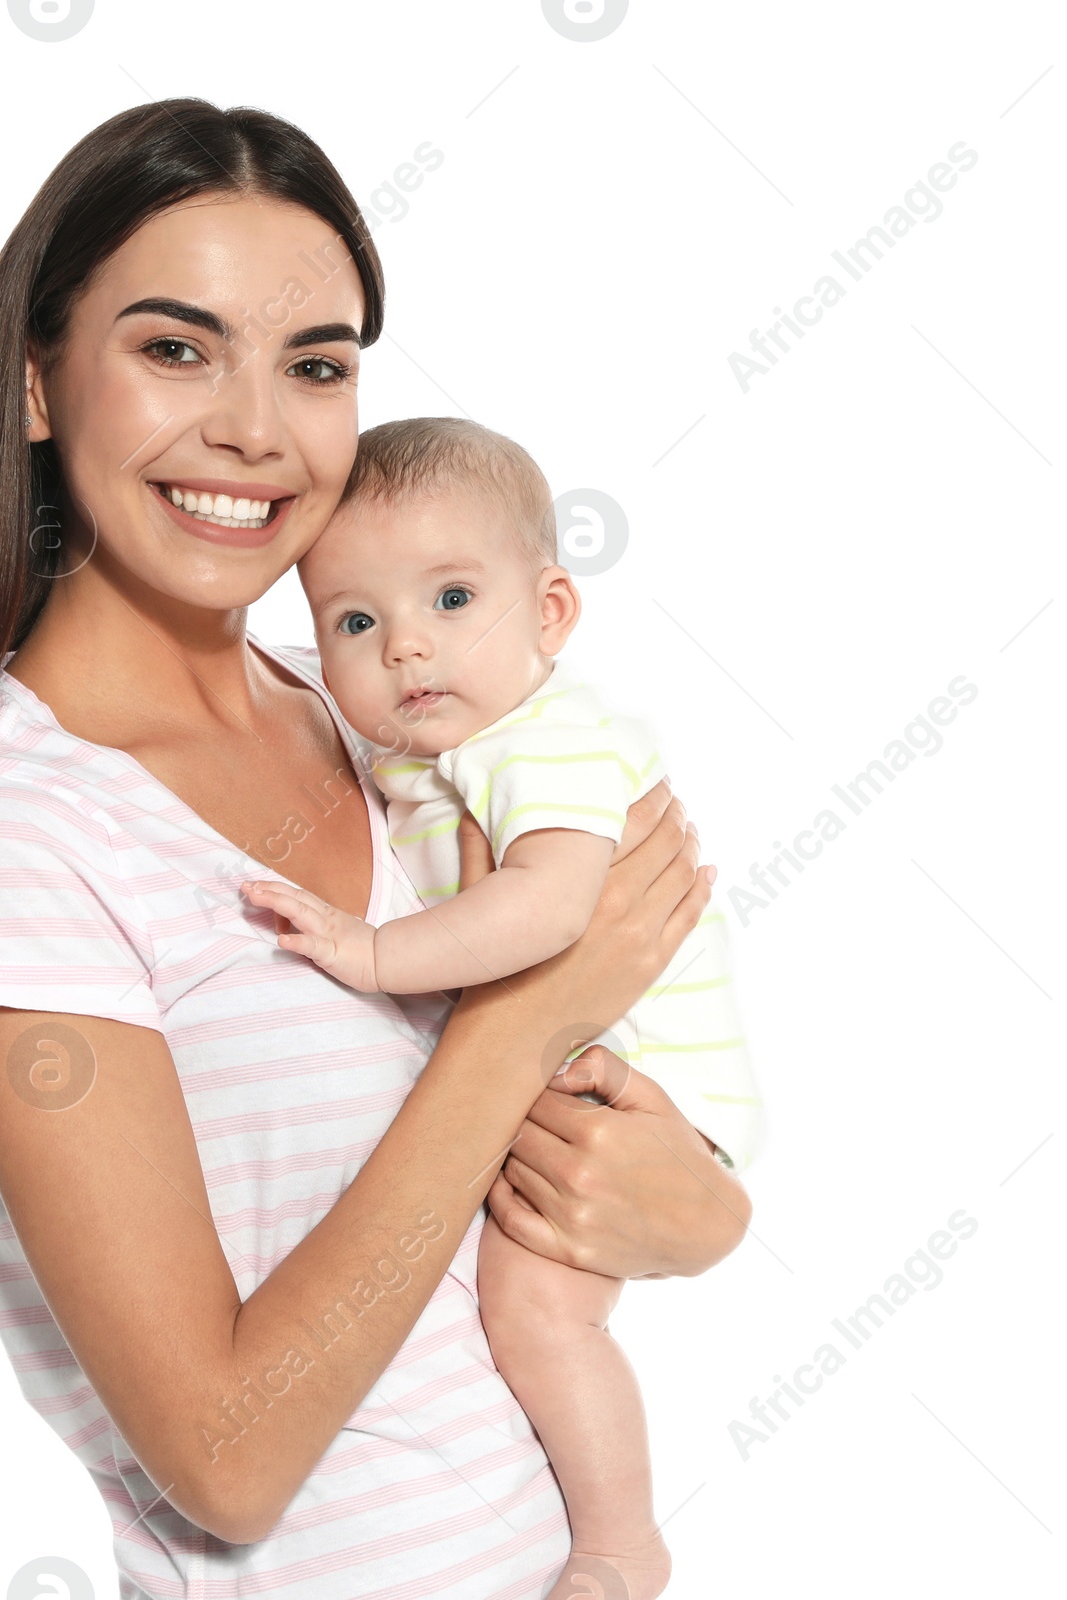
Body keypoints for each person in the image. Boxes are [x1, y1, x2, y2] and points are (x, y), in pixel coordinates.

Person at [0, 97, 756, 1599]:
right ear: (34, 384)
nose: (256, 428)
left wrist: (698, 1209)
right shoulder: (10, 838)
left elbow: (635, 1161)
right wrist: (527, 1008)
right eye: (174, 349)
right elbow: (223, 1454)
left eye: (316, 365)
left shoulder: (382, 718)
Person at [244, 415, 765, 1597]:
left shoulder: (549, 740)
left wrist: (376, 955)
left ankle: (625, 1544)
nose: (408, 650)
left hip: (638, 1087)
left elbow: (546, 908)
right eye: (357, 622)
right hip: (556, 1070)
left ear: (550, 614)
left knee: (534, 1312)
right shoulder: (423, 758)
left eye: (452, 600)